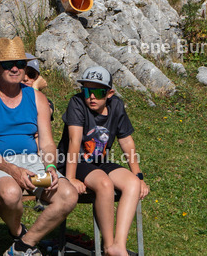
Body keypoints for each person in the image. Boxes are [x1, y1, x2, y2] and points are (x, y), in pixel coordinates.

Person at [0, 37, 77, 256]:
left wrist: (51, 168)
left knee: (68, 194)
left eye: (20, 63)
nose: (15, 68)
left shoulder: (37, 98)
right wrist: (13, 170)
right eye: (9, 64)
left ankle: (22, 246)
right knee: (10, 193)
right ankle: (18, 232)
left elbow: (46, 142)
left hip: (32, 163)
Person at [59, 67, 148, 256]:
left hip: (98, 160)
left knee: (132, 184)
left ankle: (119, 245)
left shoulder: (117, 106)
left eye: (98, 92)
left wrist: (138, 175)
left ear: (110, 93)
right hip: (73, 161)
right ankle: (108, 246)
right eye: (86, 91)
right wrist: (70, 178)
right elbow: (74, 141)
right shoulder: (76, 103)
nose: (91, 96)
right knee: (104, 183)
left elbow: (126, 141)